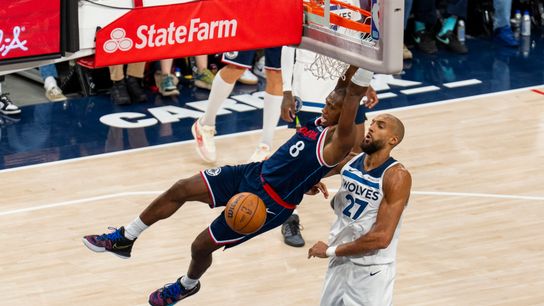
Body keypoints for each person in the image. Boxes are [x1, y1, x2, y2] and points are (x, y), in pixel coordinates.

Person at [82, 65, 371, 305]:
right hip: (253, 173)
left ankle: (187, 284)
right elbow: (344, 85)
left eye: (332, 106)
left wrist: (370, 61)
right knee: (181, 188)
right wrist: (357, 53)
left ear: (345, 114)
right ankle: (125, 237)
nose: (325, 105)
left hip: (267, 204)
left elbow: (352, 95)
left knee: (200, 246)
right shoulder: (322, 122)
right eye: (328, 101)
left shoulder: (340, 141)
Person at [308, 113, 412, 306]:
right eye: (372, 123)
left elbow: (381, 238)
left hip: (370, 269)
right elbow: (307, 173)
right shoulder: (350, 161)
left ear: (393, 140)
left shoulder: (396, 176)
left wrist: (330, 251)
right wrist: (307, 185)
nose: (371, 127)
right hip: (340, 261)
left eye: (380, 126)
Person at [279, 46, 378, 247]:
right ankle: (289, 217)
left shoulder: (356, 14)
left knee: (358, 155)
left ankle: (347, 205)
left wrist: (364, 81)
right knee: (303, 160)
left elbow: (357, 43)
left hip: (344, 83)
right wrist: (286, 89)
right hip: (309, 81)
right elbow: (288, 47)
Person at [191, 47, 284, 163]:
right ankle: (205, 124)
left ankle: (265, 146)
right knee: (236, 66)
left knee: (276, 73)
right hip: (251, 28)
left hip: (279, 29)